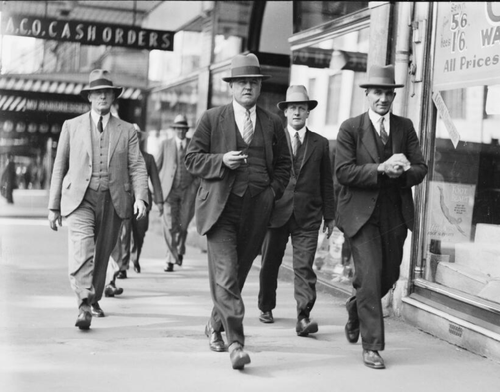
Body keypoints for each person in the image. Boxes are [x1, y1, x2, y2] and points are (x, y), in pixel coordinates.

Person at [185, 53, 291, 370]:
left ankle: (213, 326)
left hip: (257, 208)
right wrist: (220, 162)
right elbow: (192, 159)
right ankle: (236, 343)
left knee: (238, 275)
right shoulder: (211, 118)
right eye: (242, 82)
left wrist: (272, 194)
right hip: (220, 210)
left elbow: (285, 165)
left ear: (259, 88)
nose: (247, 87)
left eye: (253, 82)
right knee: (227, 276)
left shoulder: (273, 122)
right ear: (231, 86)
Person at [335, 64, 428, 369]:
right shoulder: (350, 128)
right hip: (361, 216)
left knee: (386, 276)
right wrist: (380, 168)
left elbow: (421, 167)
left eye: (388, 93)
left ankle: (355, 306)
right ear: (367, 94)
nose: (383, 98)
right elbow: (343, 172)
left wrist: (402, 172)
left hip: (394, 213)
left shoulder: (405, 126)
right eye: (378, 92)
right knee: (372, 277)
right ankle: (372, 345)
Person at [48, 69, 149, 330]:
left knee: (102, 254)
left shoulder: (127, 130)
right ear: (90, 97)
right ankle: (84, 304)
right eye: (98, 92)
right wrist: (53, 206)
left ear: (113, 97)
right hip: (79, 199)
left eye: (108, 92)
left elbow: (137, 165)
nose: (103, 96)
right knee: (83, 250)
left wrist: (140, 198)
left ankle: (94, 297)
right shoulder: (71, 126)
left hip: (113, 199)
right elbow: (59, 166)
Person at [257, 85, 335, 337]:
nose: (297, 113)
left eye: (302, 108)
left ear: (308, 112)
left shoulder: (321, 144)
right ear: (286, 112)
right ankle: (266, 306)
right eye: (293, 108)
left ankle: (303, 317)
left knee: (304, 267)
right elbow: (264, 176)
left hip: (307, 216)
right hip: (276, 213)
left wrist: (330, 215)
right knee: (270, 263)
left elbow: (327, 182)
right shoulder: (273, 139)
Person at [105, 124, 164, 296]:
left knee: (139, 232)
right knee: (123, 234)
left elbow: (155, 181)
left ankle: (135, 258)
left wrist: (159, 201)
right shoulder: (121, 156)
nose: (134, 138)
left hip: (142, 203)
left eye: (137, 135)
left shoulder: (148, 158)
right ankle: (122, 267)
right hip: (123, 202)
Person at [155, 114, 199, 272]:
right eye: (178, 129)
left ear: (186, 130)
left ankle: (179, 250)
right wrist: (156, 192)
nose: (180, 132)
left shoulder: (193, 145)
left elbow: (199, 169)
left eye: (183, 129)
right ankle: (170, 258)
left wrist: (195, 186)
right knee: (169, 225)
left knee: (183, 225)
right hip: (169, 191)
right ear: (174, 130)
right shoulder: (165, 144)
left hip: (188, 192)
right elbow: (156, 168)